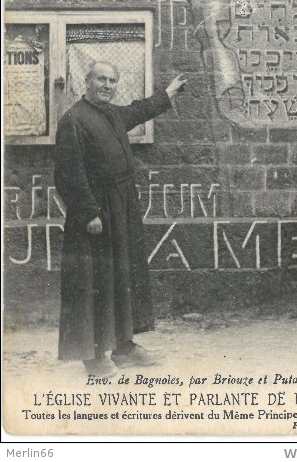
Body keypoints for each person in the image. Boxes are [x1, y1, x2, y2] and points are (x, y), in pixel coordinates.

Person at [54, 60, 187, 376]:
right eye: (101, 79)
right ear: (85, 81)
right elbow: (67, 174)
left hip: (121, 209)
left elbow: (140, 110)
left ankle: (124, 347)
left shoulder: (112, 114)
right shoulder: (73, 120)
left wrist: (167, 93)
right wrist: (88, 212)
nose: (107, 85)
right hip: (95, 216)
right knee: (95, 283)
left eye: (112, 80)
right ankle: (94, 356)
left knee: (121, 278)